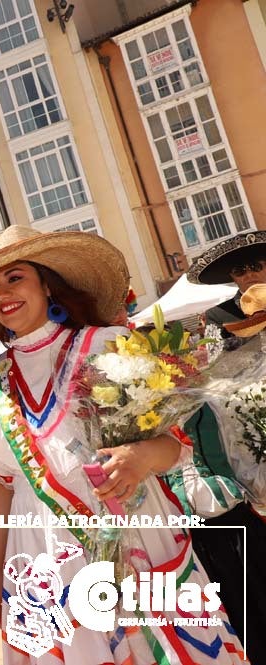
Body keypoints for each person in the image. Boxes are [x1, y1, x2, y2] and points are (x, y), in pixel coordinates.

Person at [0, 225, 245, 663]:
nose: (2, 293)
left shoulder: (107, 346)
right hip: (40, 549)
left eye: (15, 278)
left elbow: (177, 449)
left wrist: (139, 457)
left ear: (47, 283)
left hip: (134, 530)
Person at [168, 234, 266, 661]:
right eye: (238, 272)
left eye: (255, 266)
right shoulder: (216, 328)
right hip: (251, 482)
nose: (247, 278)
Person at [188, 230, 266, 345]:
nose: (249, 274)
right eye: (239, 271)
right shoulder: (217, 314)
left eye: (255, 266)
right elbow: (217, 355)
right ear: (233, 277)